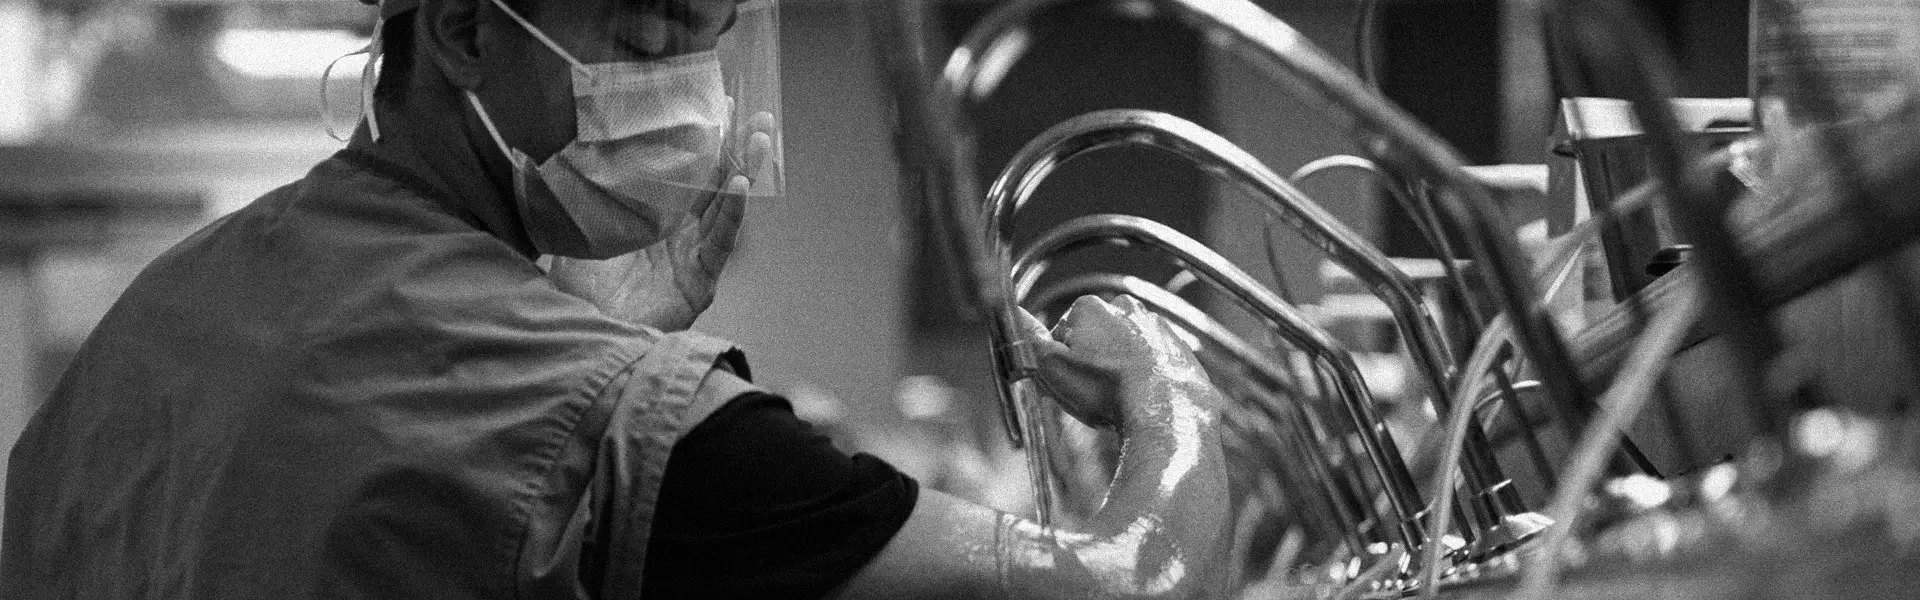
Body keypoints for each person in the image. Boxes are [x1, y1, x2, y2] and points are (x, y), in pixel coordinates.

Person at [0, 0, 1231, 598]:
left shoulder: (157, 324)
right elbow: (1121, 584)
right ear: (470, 31)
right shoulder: (634, 431)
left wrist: (599, 337)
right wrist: (1172, 401)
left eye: (711, 44)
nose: (692, 93)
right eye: (647, 39)